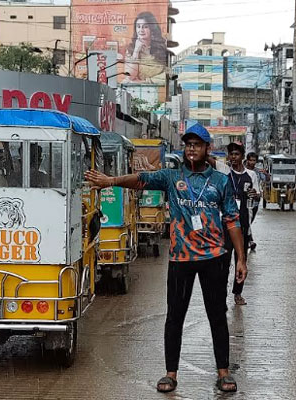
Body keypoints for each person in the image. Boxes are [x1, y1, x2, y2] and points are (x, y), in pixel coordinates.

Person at [84, 123, 246, 394]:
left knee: (217, 315)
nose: (192, 148)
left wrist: (241, 258)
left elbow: (232, 220)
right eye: (188, 144)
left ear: (208, 149)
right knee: (175, 317)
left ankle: (223, 372)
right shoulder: (172, 176)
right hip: (180, 259)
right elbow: (140, 180)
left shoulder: (220, 181)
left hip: (214, 258)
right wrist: (111, 181)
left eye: (197, 144)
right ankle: (171, 373)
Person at [210, 143, 259, 305]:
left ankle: (238, 293)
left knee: (241, 259)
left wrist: (254, 194)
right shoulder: (224, 170)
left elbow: (257, 195)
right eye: (231, 154)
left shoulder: (251, 175)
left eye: (236, 154)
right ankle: (221, 294)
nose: (233, 157)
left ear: (242, 156)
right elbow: (209, 161)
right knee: (223, 262)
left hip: (242, 224)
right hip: (225, 224)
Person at [123, 12, 168, 83]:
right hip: (132, 89)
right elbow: (130, 76)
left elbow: (168, 75)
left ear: (152, 29)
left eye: (145, 27)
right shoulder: (131, 49)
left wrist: (146, 81)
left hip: (155, 89)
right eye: (138, 26)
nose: (141, 30)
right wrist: (136, 51)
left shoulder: (161, 49)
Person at [245, 152, 265, 250]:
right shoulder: (242, 170)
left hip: (255, 201)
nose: (252, 162)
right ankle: (250, 240)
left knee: (249, 221)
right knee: (246, 221)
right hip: (243, 201)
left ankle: (248, 239)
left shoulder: (258, 172)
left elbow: (266, 180)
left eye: (254, 160)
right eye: (250, 160)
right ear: (247, 160)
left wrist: (267, 174)